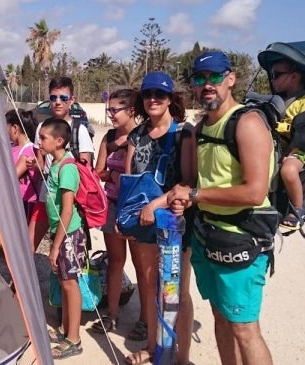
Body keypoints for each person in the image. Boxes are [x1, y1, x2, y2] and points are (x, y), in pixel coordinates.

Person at [168, 51, 275, 364]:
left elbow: (255, 192)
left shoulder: (247, 123)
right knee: (219, 317)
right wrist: (185, 195)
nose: (207, 85)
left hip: (241, 239)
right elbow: (200, 183)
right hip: (208, 237)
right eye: (199, 79)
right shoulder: (202, 128)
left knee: (245, 329)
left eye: (215, 77)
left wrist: (196, 195)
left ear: (231, 79)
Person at [124, 72, 196, 365]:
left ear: (170, 99)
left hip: (176, 223)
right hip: (144, 222)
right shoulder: (136, 135)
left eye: (160, 94)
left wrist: (156, 204)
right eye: (147, 94)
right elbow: (130, 181)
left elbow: (190, 182)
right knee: (152, 285)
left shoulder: (184, 133)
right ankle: (154, 350)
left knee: (178, 290)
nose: (153, 99)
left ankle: (181, 357)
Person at [89, 88, 139, 333]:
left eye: (115, 110)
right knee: (116, 261)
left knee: (142, 266)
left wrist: (119, 176)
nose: (110, 115)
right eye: (109, 110)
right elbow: (97, 172)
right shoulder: (108, 137)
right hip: (112, 205)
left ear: (131, 110)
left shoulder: (142, 137)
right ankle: (112, 316)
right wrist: (116, 174)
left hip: (137, 210)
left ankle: (145, 322)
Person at [38, 118, 87, 360]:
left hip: (69, 234)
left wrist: (56, 246)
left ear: (59, 141)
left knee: (70, 283)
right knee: (65, 280)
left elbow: (67, 210)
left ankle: (74, 339)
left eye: (43, 138)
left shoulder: (67, 167)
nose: (40, 141)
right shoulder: (55, 163)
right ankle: (68, 330)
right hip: (62, 232)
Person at [29, 76, 95, 249]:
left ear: (71, 100)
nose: (58, 102)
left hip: (69, 204)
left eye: (63, 98)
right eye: (53, 98)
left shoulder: (79, 130)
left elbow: (85, 170)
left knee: (67, 255)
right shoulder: (42, 127)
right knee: (28, 246)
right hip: (46, 197)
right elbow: (41, 164)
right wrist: (33, 166)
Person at [268, 59, 305, 231]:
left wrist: (290, 150)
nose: (272, 79)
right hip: (276, 147)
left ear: (294, 76)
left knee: (288, 171)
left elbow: (302, 131)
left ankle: (297, 209)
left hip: (299, 150)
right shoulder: (277, 99)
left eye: (277, 75)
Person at [5, 108, 46, 250]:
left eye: (7, 127)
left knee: (21, 240)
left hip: (25, 203)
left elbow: (12, 176)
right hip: (15, 200)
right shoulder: (12, 147)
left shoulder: (28, 150)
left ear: (15, 128)